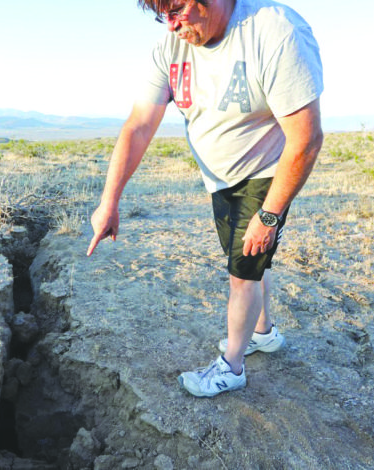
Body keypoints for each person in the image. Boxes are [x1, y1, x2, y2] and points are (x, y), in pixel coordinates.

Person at [86, 0, 323, 397]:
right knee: (247, 260)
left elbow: (306, 138)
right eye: (164, 15)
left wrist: (269, 216)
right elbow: (140, 126)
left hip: (265, 170)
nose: (172, 26)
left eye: (178, 10)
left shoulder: (274, 31)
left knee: (242, 272)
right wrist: (109, 200)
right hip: (219, 179)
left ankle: (232, 366)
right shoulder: (170, 48)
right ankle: (262, 333)